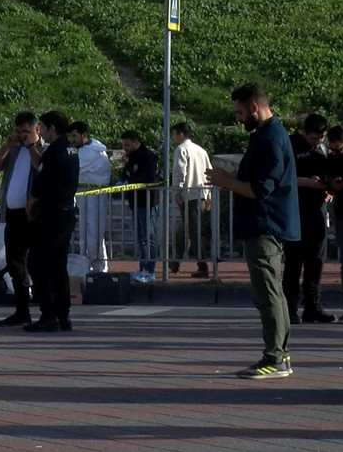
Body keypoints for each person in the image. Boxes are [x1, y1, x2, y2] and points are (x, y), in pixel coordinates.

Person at [206, 83, 299, 379]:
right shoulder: (267, 135)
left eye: (240, 112)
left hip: (265, 226)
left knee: (268, 293)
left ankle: (275, 357)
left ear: (255, 108)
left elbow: (260, 190)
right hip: (266, 224)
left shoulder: (269, 139)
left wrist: (225, 181)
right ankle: (279, 354)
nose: (238, 118)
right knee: (273, 292)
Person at [24, 111, 80, 332]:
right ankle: (63, 314)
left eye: (44, 128)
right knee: (58, 265)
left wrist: (31, 204)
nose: (43, 133)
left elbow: (41, 181)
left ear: (53, 128)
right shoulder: (70, 150)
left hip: (50, 215)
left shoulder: (55, 151)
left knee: (38, 263)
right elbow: (44, 167)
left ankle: (48, 313)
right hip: (66, 213)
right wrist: (31, 149)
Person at [0, 111, 45, 327]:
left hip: (32, 215)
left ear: (36, 130)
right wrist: (6, 146)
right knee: (15, 263)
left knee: (37, 263)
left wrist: (31, 146)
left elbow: (41, 167)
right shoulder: (14, 150)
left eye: (26, 132)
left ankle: (46, 309)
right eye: (19, 132)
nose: (22, 136)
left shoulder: (42, 149)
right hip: (12, 214)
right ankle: (21, 311)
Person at [282, 115, 335, 324]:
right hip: (296, 212)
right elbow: (282, 177)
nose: (318, 142)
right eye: (314, 138)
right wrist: (307, 182)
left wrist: (329, 186)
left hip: (317, 211)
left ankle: (312, 307)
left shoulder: (322, 149)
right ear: (305, 132)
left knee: (316, 262)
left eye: (321, 138)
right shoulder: (291, 145)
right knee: (294, 262)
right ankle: (290, 309)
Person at [170, 122, 213, 278]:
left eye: (174, 134)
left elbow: (179, 172)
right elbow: (209, 173)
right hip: (200, 193)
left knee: (192, 231)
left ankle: (200, 265)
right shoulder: (201, 151)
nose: (173, 138)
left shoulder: (181, 150)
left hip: (189, 194)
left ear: (181, 134)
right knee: (192, 229)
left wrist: (177, 190)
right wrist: (208, 195)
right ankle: (177, 261)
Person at [68, 121, 111, 274]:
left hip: (95, 196)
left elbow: (71, 168)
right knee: (88, 231)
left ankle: (92, 265)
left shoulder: (90, 152)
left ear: (84, 135)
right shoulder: (87, 150)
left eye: (74, 135)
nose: (72, 139)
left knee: (94, 231)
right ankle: (94, 265)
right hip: (86, 195)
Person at [119, 130, 160, 283]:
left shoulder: (148, 157)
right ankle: (143, 268)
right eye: (123, 145)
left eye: (127, 145)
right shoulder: (131, 157)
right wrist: (123, 180)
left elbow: (149, 178)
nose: (124, 148)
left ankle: (149, 270)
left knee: (149, 237)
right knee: (141, 237)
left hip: (147, 202)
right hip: (135, 201)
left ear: (136, 142)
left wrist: (130, 182)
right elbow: (126, 174)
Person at [326, 124, 343, 323]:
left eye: (337, 148)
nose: (334, 152)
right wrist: (333, 184)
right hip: (342, 214)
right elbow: (329, 182)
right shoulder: (332, 159)